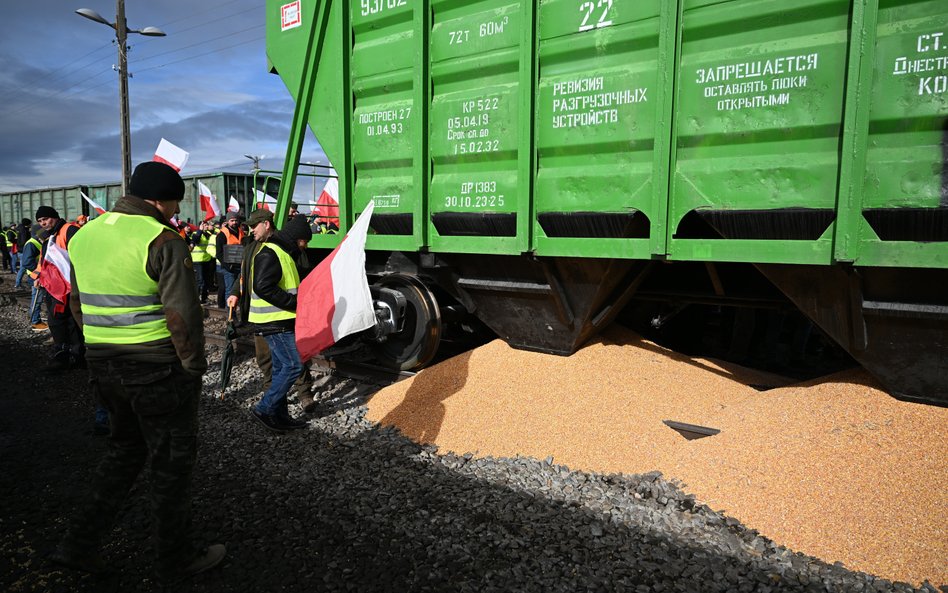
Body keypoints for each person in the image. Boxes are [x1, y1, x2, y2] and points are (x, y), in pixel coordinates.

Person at [52, 161, 225, 584]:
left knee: (123, 452)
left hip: (105, 367)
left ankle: (78, 545)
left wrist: (99, 348)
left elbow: (77, 302)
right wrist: (193, 368)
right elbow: (182, 316)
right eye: (172, 203)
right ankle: (176, 559)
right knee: (170, 466)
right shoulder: (161, 239)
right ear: (158, 200)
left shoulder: (86, 235)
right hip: (156, 371)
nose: (173, 211)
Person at [227, 209, 316, 414]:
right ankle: (274, 404)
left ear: (266, 224)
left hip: (280, 316)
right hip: (267, 315)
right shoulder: (253, 247)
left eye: (253, 226)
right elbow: (245, 275)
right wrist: (235, 292)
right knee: (268, 359)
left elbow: (299, 274)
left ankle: (302, 394)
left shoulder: (285, 247)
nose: (250, 230)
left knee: (292, 361)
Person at [246, 214, 313, 432]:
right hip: (274, 321)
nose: (306, 245)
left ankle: (280, 416)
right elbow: (263, 286)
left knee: (280, 369)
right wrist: (294, 303)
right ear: (298, 238)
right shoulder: (272, 252)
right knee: (293, 365)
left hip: (278, 320)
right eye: (305, 241)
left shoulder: (281, 252)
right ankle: (264, 408)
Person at [35, 206, 84, 371]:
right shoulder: (50, 236)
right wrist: (39, 276)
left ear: (54, 217)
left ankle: (67, 355)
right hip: (56, 286)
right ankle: (71, 354)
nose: (43, 223)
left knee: (62, 320)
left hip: (68, 285)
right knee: (64, 320)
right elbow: (44, 260)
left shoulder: (69, 230)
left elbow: (79, 255)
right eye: (40, 221)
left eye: (45, 219)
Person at [21, 223, 48, 331]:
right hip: (35, 276)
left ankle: (35, 318)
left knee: (37, 299)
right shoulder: (31, 244)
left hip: (37, 275)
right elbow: (27, 262)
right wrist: (40, 273)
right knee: (37, 299)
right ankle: (35, 322)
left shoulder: (36, 242)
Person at [216, 211, 244, 309]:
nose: (234, 222)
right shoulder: (222, 234)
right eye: (232, 220)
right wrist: (228, 266)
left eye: (236, 220)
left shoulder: (241, 232)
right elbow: (219, 253)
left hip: (240, 266)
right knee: (230, 291)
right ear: (228, 221)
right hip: (229, 268)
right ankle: (231, 316)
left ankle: (238, 312)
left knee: (240, 290)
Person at [188, 219, 215, 303]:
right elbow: (195, 240)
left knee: (207, 280)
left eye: (207, 225)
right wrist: (200, 230)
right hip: (197, 260)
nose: (206, 226)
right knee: (200, 280)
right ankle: (196, 298)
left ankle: (204, 298)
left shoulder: (208, 234)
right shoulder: (196, 233)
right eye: (205, 225)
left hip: (207, 260)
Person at [14, 218, 31, 288]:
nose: (30, 225)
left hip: (20, 250)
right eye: (29, 224)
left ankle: (18, 283)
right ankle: (18, 284)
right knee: (24, 267)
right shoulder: (23, 230)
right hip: (23, 250)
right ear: (26, 224)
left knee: (24, 267)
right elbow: (24, 241)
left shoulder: (19, 229)